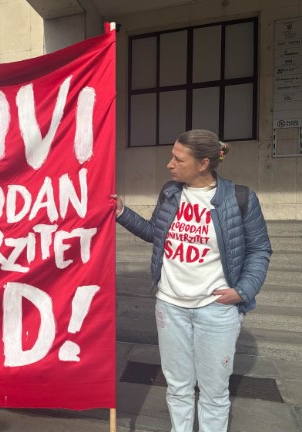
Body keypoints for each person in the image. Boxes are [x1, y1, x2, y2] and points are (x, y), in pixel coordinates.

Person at [113, 129, 271, 432]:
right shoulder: (170, 193)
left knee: (214, 393)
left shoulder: (240, 198)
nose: (169, 164)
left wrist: (243, 291)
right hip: (170, 307)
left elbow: (259, 249)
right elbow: (155, 233)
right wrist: (121, 212)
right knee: (177, 388)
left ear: (203, 163)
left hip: (216, 310)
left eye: (178, 159)